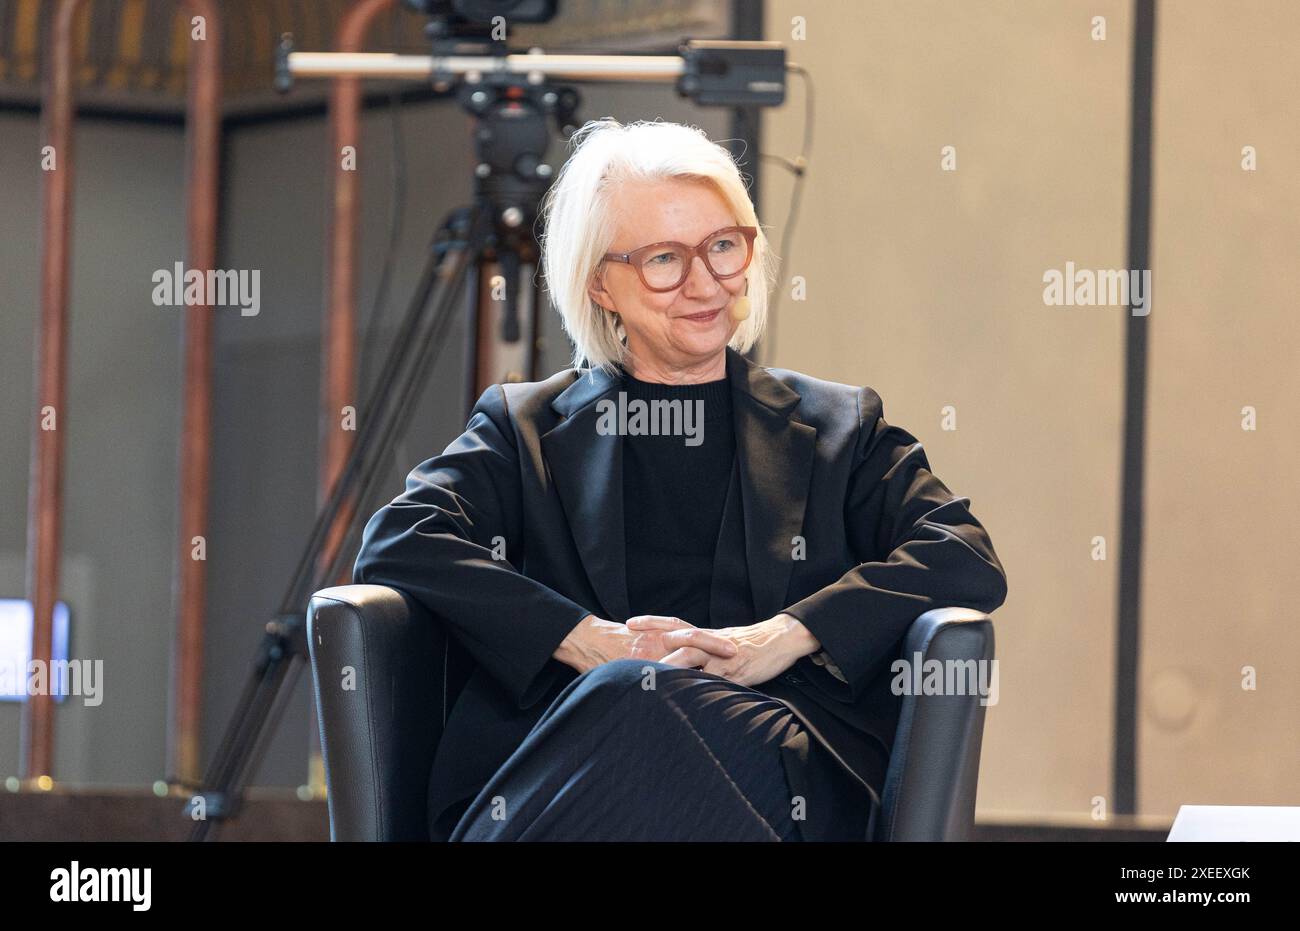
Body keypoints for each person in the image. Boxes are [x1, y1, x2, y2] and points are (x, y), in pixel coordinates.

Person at [353, 117, 1008, 841]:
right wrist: (583, 639)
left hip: (769, 768)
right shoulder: (524, 430)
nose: (705, 283)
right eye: (665, 257)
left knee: (648, 698)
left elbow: (963, 552)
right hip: (566, 773)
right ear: (601, 282)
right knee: (632, 692)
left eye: (723, 246)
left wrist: (785, 635)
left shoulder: (837, 428)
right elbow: (400, 539)